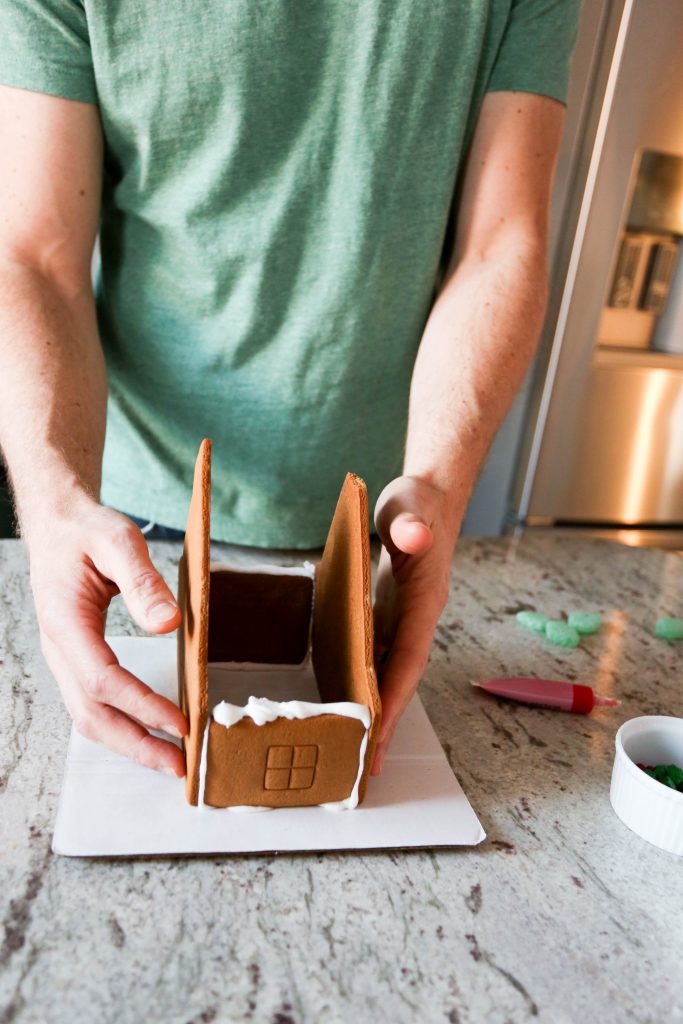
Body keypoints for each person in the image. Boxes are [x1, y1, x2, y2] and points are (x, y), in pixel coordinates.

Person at [0, 2, 581, 781]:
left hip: (375, 522)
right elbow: (33, 253)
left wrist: (438, 483)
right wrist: (56, 502)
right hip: (126, 519)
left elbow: (500, 241)